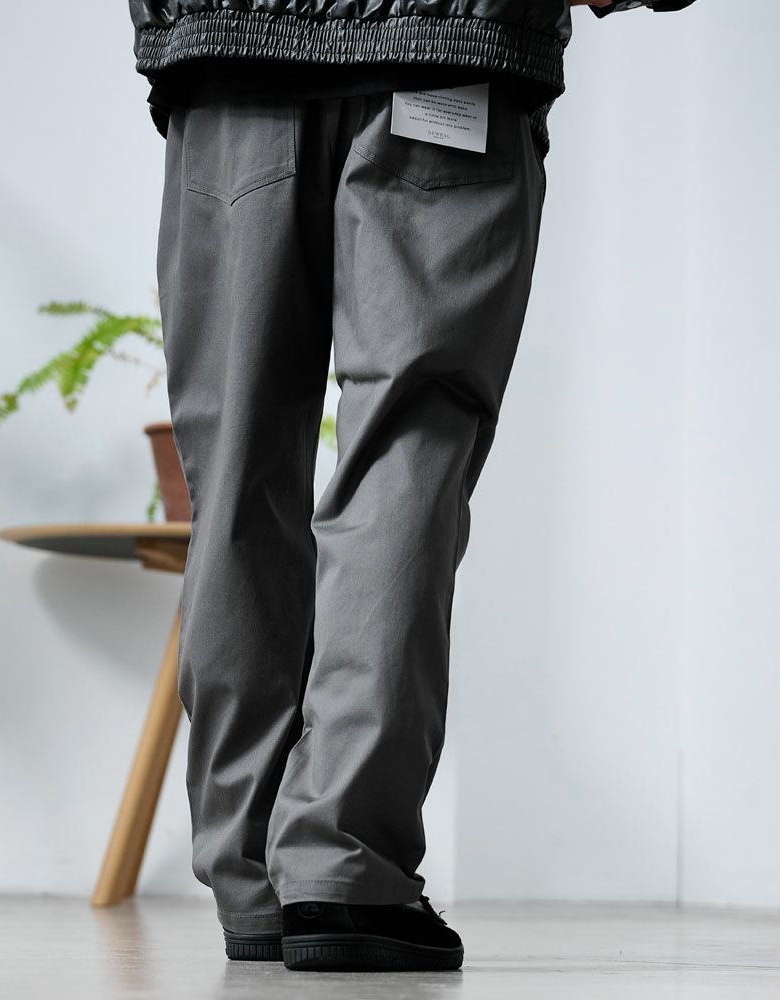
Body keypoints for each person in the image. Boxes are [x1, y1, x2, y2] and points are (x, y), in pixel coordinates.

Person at [127, 0, 610, 974]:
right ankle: (341, 865)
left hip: (229, 69)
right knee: (404, 457)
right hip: (446, 57)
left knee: (235, 471)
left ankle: (254, 873)